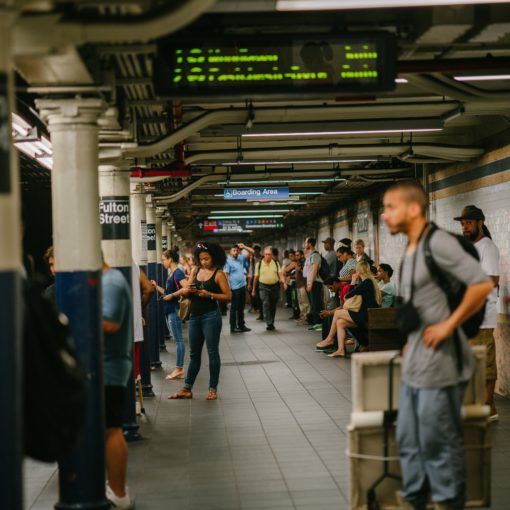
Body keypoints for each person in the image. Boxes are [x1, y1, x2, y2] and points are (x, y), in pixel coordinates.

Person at [383, 180, 493, 510]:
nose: (385, 215)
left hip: (441, 366)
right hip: (416, 363)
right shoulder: (411, 247)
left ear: (413, 209)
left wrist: (447, 325)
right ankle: (416, 500)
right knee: (408, 441)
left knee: (437, 444)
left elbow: (481, 284)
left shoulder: (439, 242)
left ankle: (448, 502)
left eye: (391, 207)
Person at [169, 242, 231, 401]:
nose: (204, 262)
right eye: (201, 259)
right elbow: (187, 289)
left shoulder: (219, 274)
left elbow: (227, 296)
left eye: (207, 259)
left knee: (212, 353)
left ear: (214, 257)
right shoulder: (195, 270)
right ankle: (187, 388)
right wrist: (188, 290)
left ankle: (212, 389)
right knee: (194, 354)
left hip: (211, 316)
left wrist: (209, 294)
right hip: (194, 317)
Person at [454, 205, 500, 421]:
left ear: (480, 222)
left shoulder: (486, 247)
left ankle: (488, 406)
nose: (465, 227)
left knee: (484, 362)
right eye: (463, 223)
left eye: (469, 222)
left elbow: (492, 280)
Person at [101, 258, 133, 509]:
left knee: (112, 428)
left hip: (109, 366)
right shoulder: (104, 281)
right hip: (101, 366)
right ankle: (111, 487)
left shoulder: (110, 282)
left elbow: (110, 323)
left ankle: (119, 494)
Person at [320, 261, 382, 357]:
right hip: (365, 314)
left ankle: (330, 338)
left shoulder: (367, 282)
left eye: (356, 270)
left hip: (365, 315)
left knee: (337, 314)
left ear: (359, 271)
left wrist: (353, 281)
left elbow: (348, 295)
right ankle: (341, 350)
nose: (355, 273)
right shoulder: (368, 282)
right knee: (340, 322)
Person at [150, 250, 187, 381]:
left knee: (179, 340)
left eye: (164, 259)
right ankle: (179, 368)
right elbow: (166, 292)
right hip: (169, 309)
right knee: (177, 339)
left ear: (170, 259)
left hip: (174, 309)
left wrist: (173, 295)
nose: (162, 262)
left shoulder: (178, 273)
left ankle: (179, 369)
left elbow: (186, 288)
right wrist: (156, 287)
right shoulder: (171, 274)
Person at [252, 246, 287, 331]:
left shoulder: (275, 263)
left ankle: (271, 321)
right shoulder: (259, 264)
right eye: (266, 254)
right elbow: (256, 278)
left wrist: (284, 282)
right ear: (263, 255)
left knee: (273, 305)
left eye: (269, 254)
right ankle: (269, 323)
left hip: (275, 286)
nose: (267, 256)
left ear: (271, 255)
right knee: (266, 303)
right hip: (263, 287)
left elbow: (280, 274)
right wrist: (253, 289)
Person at [224, 243, 253, 334]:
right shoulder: (227, 261)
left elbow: (252, 252)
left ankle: (241, 325)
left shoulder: (241, 258)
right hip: (234, 288)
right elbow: (226, 275)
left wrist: (244, 247)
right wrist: (228, 289)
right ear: (230, 252)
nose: (236, 252)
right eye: (234, 250)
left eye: (237, 250)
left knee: (241, 307)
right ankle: (233, 327)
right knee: (234, 308)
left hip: (242, 287)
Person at [303, 237, 323, 329]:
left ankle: (319, 322)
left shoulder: (315, 255)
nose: (304, 244)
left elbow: (315, 269)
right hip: (312, 282)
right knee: (313, 303)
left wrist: (310, 282)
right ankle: (315, 322)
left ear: (310, 244)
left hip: (315, 282)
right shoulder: (311, 255)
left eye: (306, 243)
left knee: (316, 303)